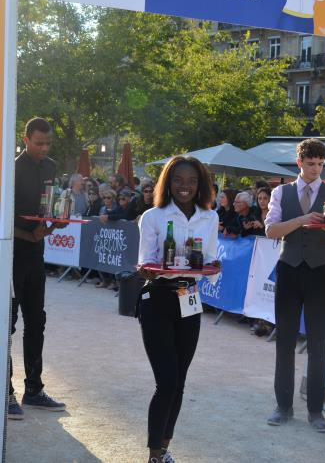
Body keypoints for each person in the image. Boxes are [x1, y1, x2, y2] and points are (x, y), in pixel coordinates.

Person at [137, 156, 219, 463]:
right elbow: (144, 259)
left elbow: (210, 258)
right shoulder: (153, 217)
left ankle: (163, 448)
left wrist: (215, 267)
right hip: (157, 298)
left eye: (192, 181)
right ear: (168, 183)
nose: (185, 187)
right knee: (167, 381)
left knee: (180, 381)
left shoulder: (209, 218)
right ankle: (154, 453)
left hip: (190, 299)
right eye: (178, 180)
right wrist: (147, 271)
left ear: (201, 185)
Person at [265, 138, 325, 433]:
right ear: (299, 163)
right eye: (310, 164)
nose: (315, 169)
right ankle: (283, 406)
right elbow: (271, 229)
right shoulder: (281, 192)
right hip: (288, 271)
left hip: (319, 273)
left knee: (319, 344)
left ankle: (316, 411)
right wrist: (301, 219)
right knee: (285, 342)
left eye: (320, 164)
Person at [9, 118, 66, 419]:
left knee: (36, 321)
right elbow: (2, 218)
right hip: (11, 254)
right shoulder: (11, 168)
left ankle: (33, 389)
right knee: (7, 324)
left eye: (48, 143)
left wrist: (58, 220)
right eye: (39, 142)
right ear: (25, 138)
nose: (44, 148)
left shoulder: (51, 167)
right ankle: (5, 392)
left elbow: (50, 207)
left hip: (36, 254)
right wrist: (27, 234)